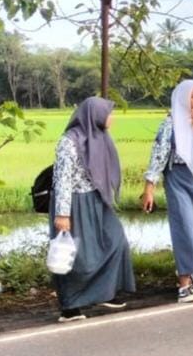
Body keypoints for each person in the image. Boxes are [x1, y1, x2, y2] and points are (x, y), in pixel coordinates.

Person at [51, 97, 135, 322]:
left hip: (97, 201)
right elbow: (62, 179)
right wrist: (62, 214)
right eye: (109, 113)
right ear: (95, 114)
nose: (112, 118)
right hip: (74, 204)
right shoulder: (69, 142)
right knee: (77, 258)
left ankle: (103, 292)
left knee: (116, 241)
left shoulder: (100, 138)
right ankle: (70, 307)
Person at [141, 80, 193, 303]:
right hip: (178, 178)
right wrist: (149, 188)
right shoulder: (170, 123)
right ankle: (184, 285)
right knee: (187, 232)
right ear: (182, 98)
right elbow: (158, 155)